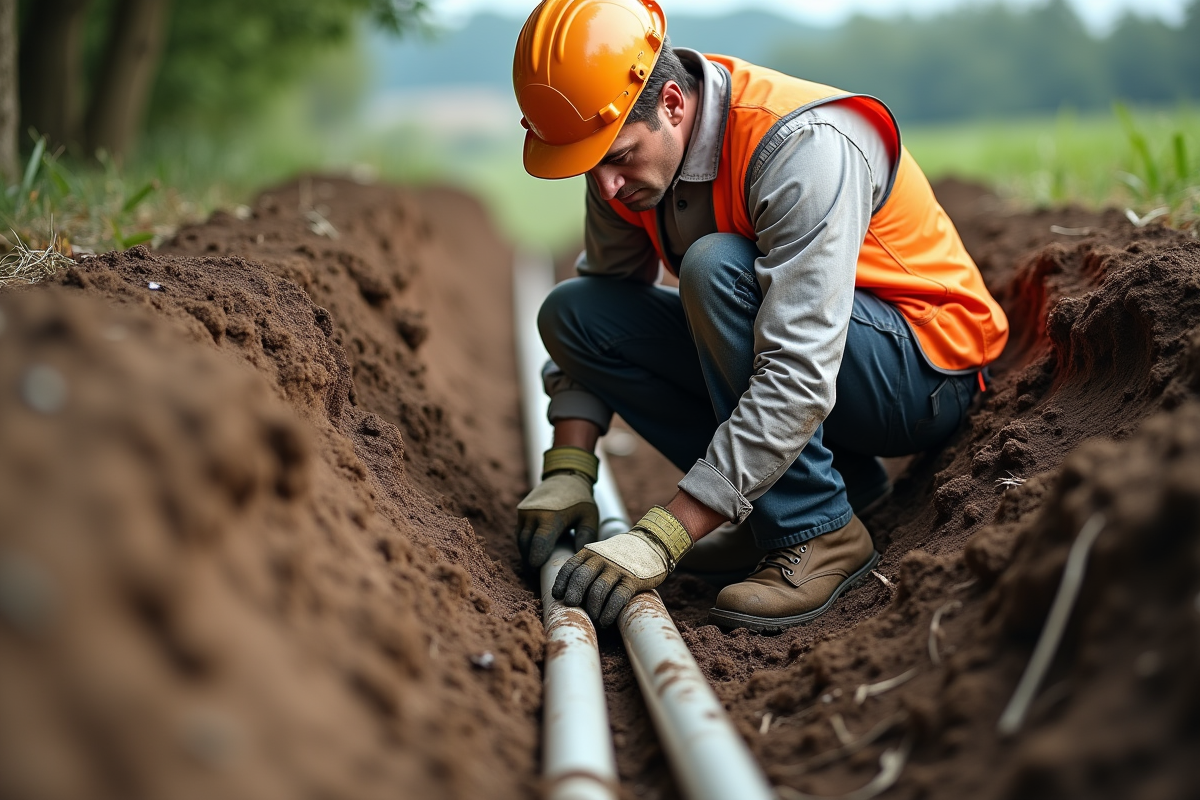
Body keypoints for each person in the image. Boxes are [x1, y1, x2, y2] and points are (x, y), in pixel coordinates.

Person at [511, 0, 1008, 633]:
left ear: (672, 104)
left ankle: (817, 528)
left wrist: (665, 534)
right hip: (825, 364)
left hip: (920, 371)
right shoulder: (623, 159)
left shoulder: (801, 148)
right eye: (590, 166)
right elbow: (605, 304)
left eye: (619, 156)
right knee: (576, 312)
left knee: (714, 268)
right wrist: (568, 466)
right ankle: (800, 497)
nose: (607, 185)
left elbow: (799, 369)